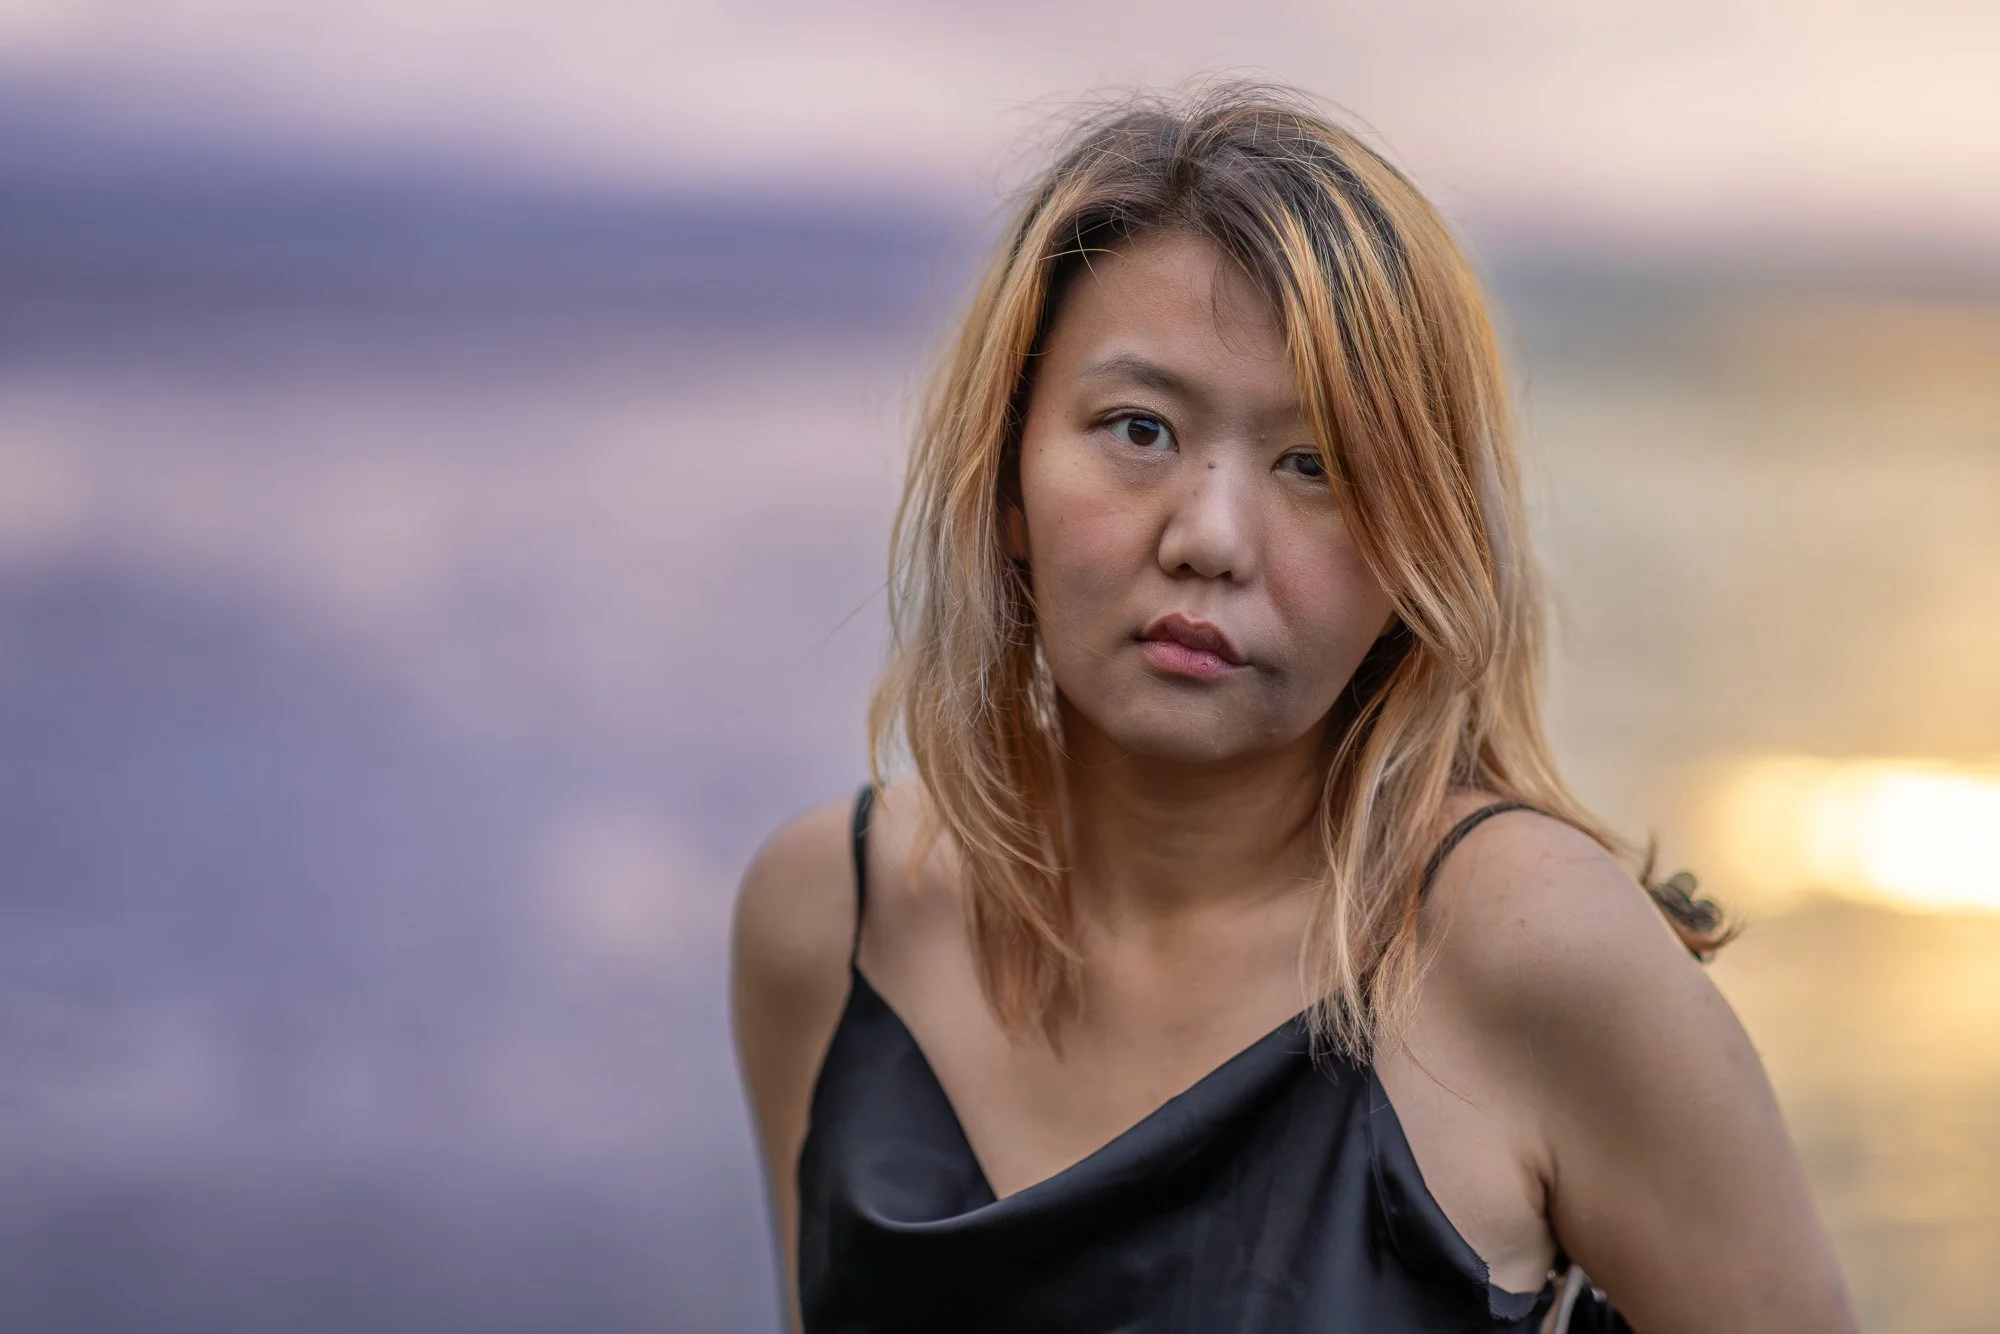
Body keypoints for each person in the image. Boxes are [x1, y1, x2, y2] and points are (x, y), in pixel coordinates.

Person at [731, 83, 1858, 1334]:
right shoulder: (826, 917)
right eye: (1137, 428)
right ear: (1004, 482)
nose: (1209, 537)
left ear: (1416, 549)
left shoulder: (1535, 948)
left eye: (1316, 465)